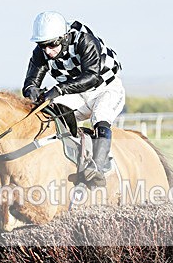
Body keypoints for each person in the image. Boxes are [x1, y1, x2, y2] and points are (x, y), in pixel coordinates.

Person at [22, 11, 124, 187]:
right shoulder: (42, 52)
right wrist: (33, 92)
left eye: (52, 44)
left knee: (100, 116)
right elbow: (30, 83)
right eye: (42, 45)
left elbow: (91, 76)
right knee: (49, 116)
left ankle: (97, 168)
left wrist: (58, 89)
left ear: (63, 37)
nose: (48, 51)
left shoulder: (85, 41)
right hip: (76, 93)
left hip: (105, 88)